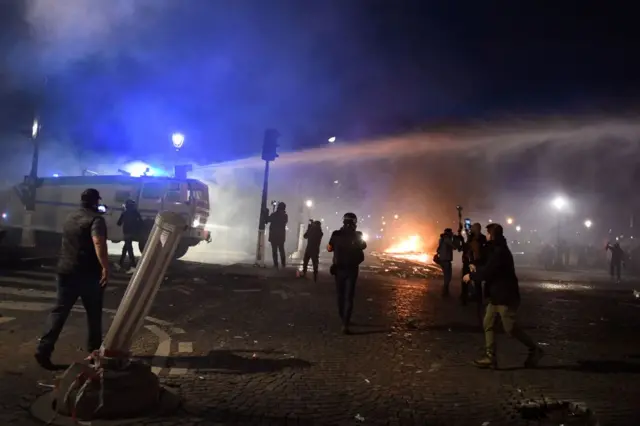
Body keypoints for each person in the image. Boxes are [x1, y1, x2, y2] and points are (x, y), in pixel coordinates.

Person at [35, 188, 109, 370]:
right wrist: (106, 267)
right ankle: (93, 353)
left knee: (59, 312)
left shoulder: (70, 217)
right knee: (93, 315)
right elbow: (98, 242)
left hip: (65, 270)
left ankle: (43, 349)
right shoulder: (96, 219)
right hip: (88, 274)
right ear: (95, 202)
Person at [463, 223, 543, 369]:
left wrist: (472, 275)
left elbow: (490, 271)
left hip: (505, 295)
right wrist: (476, 265)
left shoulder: (500, 251)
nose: (485, 236)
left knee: (510, 328)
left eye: (487, 233)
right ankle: (490, 356)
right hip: (495, 294)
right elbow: (485, 262)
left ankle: (535, 349)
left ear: (492, 235)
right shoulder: (494, 249)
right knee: (488, 323)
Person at [327, 212, 367, 334]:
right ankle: (345, 323)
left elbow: (329, 248)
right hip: (352, 270)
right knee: (349, 297)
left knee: (340, 295)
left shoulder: (336, 234)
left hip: (339, 269)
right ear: (355, 222)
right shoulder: (358, 235)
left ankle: (342, 317)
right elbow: (364, 246)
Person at [456, 222, 487, 305]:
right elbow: (464, 248)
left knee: (477, 282)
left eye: (473, 228)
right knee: (465, 281)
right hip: (468, 262)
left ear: (477, 229)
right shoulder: (471, 238)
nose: (471, 229)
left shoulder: (482, 239)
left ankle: (478, 300)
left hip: (477, 263)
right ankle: (464, 298)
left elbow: (483, 251)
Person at [116, 199, 143, 273]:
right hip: (134, 232)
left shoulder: (124, 213)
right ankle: (120, 263)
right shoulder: (136, 212)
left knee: (129, 248)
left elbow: (118, 223)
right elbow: (141, 222)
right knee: (126, 247)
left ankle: (133, 265)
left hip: (127, 232)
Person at [266, 202, 288, 269]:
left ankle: (276, 264)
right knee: (281, 250)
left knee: (274, 251)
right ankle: (283, 264)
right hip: (281, 236)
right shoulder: (285, 216)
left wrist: (268, 212)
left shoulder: (274, 214)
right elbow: (284, 222)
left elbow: (268, 220)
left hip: (274, 235)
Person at [435, 228, 455, 296]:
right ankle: (445, 291)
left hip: (442, 260)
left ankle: (445, 291)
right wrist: (453, 238)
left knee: (446, 276)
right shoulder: (447, 240)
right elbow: (454, 247)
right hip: (446, 260)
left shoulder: (441, 239)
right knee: (448, 277)